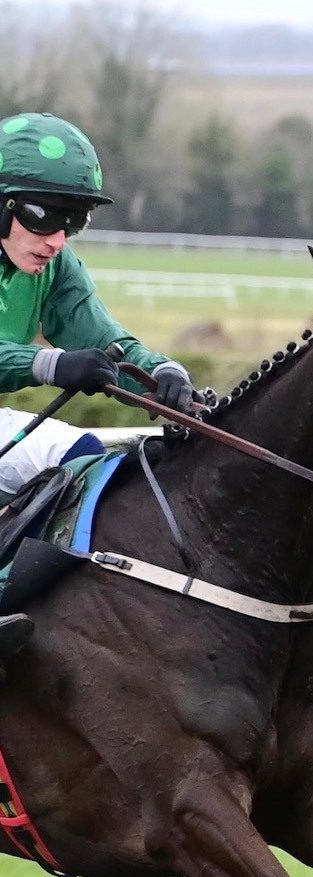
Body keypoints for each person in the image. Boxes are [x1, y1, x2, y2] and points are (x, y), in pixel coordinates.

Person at [0, 112, 199, 659]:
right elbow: (54, 361)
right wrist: (51, 365)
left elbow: (108, 340)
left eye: (74, 220)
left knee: (85, 459)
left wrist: (163, 372)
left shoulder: (54, 264)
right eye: (44, 216)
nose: (57, 240)